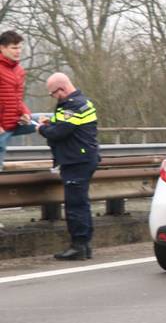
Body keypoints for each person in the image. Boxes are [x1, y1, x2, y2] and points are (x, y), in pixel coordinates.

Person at [38, 73, 100, 261]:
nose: (53, 97)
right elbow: (67, 125)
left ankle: (78, 246)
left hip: (76, 161)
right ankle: (85, 246)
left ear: (62, 89)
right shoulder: (80, 103)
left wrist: (40, 128)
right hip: (82, 159)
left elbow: (59, 133)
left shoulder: (72, 105)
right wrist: (51, 123)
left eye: (53, 93)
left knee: (75, 205)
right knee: (81, 203)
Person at [0, 31, 35, 171]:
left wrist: (26, 113)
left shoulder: (19, 70)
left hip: (16, 121)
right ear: (2, 48)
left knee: (50, 121)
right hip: (2, 127)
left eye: (20, 47)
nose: (18, 51)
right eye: (14, 48)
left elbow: (17, 99)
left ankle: (60, 166)